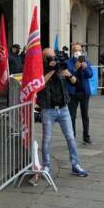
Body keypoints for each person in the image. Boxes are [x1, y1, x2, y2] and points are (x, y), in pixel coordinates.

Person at [37, 47, 89, 177]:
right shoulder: (40, 69)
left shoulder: (61, 68)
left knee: (71, 138)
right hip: (48, 109)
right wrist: (52, 70)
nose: (52, 59)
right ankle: (46, 166)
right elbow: (39, 84)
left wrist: (69, 74)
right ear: (44, 59)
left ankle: (75, 165)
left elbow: (76, 84)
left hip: (63, 109)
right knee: (47, 140)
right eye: (49, 57)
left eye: (53, 56)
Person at [67, 43, 94, 145]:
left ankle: (86, 136)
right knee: (72, 116)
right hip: (72, 93)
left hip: (84, 92)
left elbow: (90, 74)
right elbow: (67, 75)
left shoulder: (86, 61)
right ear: (72, 52)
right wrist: (75, 68)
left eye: (79, 50)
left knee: (85, 115)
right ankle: (72, 136)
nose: (77, 52)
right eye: (75, 50)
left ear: (82, 52)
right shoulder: (68, 62)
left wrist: (85, 68)